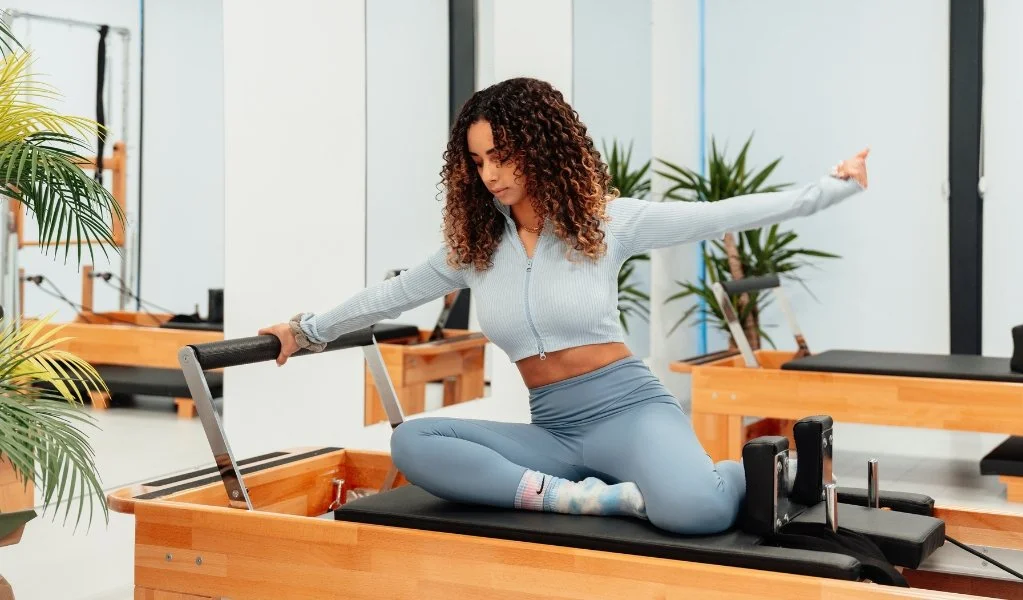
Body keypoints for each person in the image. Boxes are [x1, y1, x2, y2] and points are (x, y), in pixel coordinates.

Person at [259, 77, 869, 535]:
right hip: (554, 430)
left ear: (541, 147)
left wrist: (831, 188)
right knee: (413, 442)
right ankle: (587, 497)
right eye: (477, 161)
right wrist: (302, 331)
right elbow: (388, 295)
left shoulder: (606, 222)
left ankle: (766, 470)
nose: (489, 174)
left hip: (628, 408)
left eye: (501, 155)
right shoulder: (474, 248)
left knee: (699, 512)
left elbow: (722, 214)